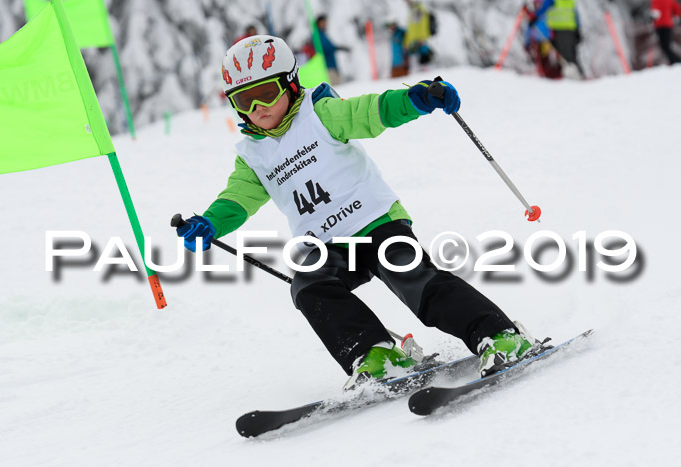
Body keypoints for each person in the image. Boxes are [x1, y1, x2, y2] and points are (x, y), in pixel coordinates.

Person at [178, 35, 535, 388]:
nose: (257, 107)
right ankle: (375, 353)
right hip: (326, 244)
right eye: (244, 99)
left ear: (290, 83)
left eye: (266, 93)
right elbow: (237, 197)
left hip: (376, 221)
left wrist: (417, 98)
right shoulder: (253, 154)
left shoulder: (320, 114)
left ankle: (499, 334)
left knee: (413, 279)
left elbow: (370, 112)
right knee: (308, 285)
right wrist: (210, 222)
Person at [529, 0, 584, 78]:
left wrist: (534, 17)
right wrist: (577, 29)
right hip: (570, 28)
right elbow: (575, 12)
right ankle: (578, 76)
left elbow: (544, 8)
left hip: (559, 28)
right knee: (570, 55)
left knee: (565, 56)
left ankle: (577, 78)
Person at [650, 0, 681, 64]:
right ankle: (674, 62)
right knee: (663, 46)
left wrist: (676, 17)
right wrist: (653, 17)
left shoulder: (669, 0)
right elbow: (654, 12)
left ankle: (677, 61)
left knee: (666, 46)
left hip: (666, 25)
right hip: (658, 26)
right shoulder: (654, 1)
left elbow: (678, 9)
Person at [404, 0, 434, 66]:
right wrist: (407, 43)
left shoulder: (418, 8)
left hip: (420, 42)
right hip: (413, 43)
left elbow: (423, 25)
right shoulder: (412, 10)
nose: (406, 2)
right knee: (417, 68)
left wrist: (422, 38)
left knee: (423, 67)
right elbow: (411, 29)